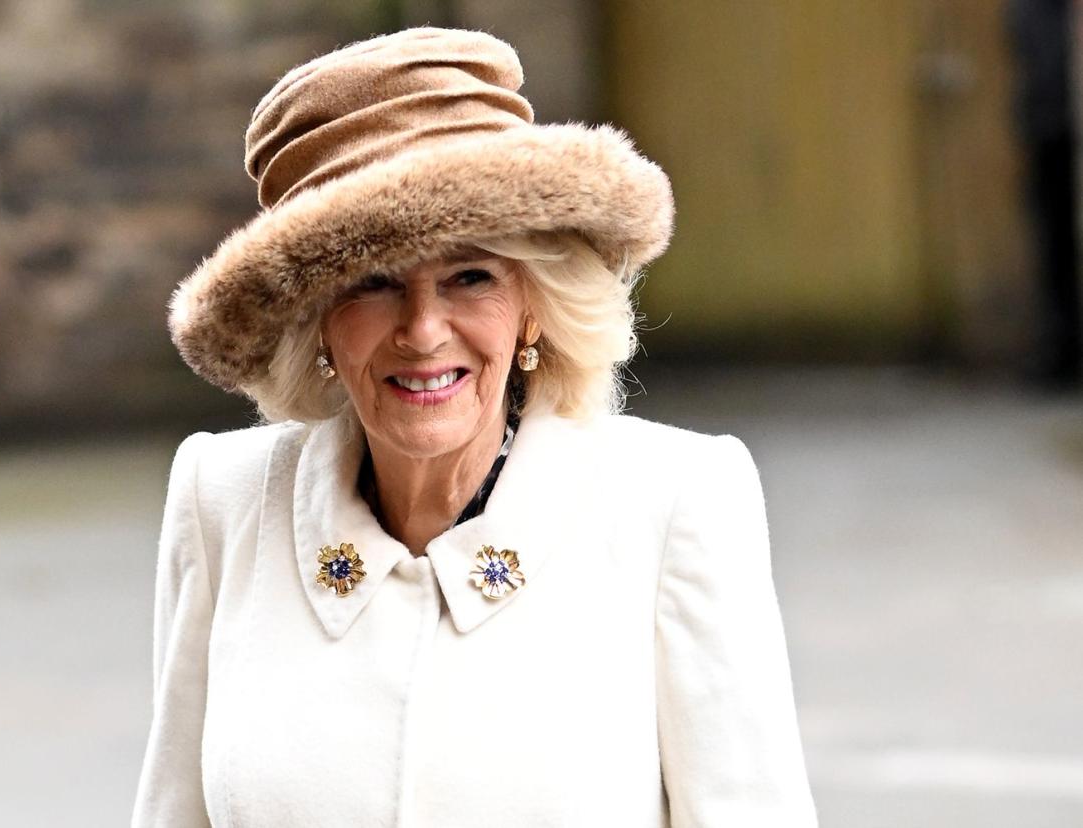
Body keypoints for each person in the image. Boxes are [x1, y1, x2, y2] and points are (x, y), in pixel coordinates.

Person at [133, 27, 817, 827]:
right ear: (314, 323)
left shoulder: (673, 502)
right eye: (373, 283)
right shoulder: (224, 500)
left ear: (534, 302)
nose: (424, 331)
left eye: (471, 276)